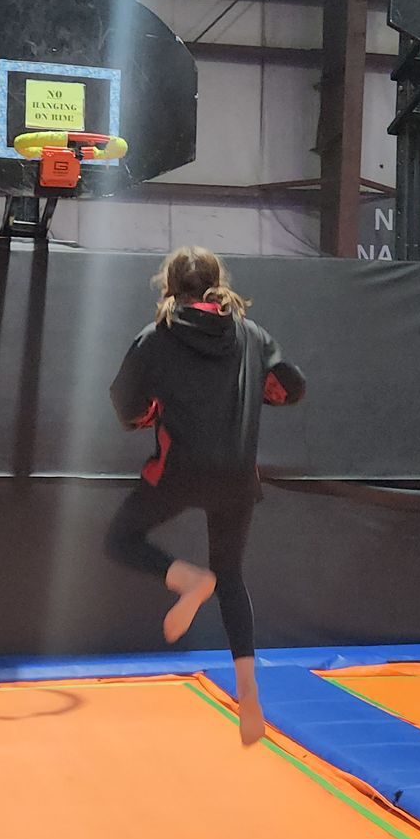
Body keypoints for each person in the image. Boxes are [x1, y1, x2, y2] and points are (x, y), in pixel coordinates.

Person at [106, 246, 306, 746]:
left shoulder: (157, 338)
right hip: (236, 477)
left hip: (180, 470)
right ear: (218, 282)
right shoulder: (251, 335)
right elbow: (293, 385)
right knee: (233, 577)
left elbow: (124, 403)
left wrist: (149, 414)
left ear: (169, 285)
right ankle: (248, 693)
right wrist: (253, 392)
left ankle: (189, 580)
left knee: (121, 539)